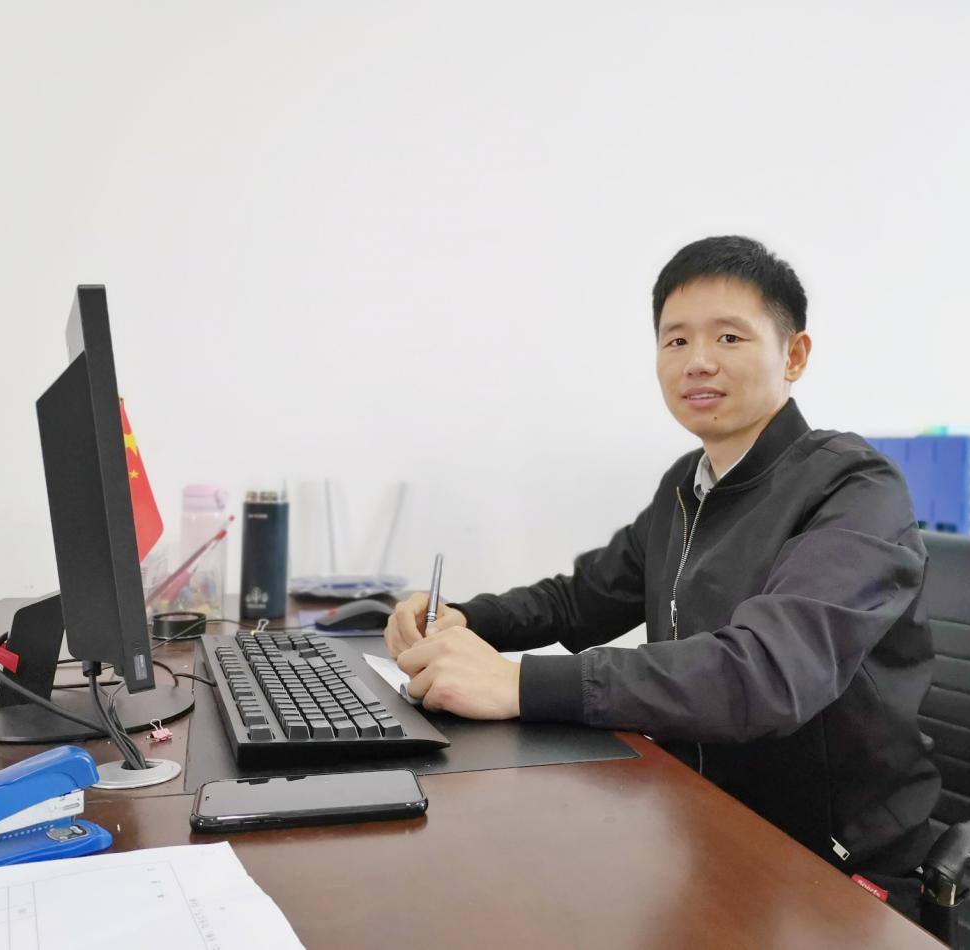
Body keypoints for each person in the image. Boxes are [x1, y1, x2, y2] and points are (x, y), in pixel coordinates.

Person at [386, 235, 940, 914]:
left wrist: (519, 684)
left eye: (729, 337)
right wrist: (466, 618)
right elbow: (583, 600)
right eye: (675, 340)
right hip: (698, 819)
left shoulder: (854, 488)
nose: (697, 360)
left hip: (829, 866)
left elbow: (766, 674)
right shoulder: (689, 485)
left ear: (793, 355)